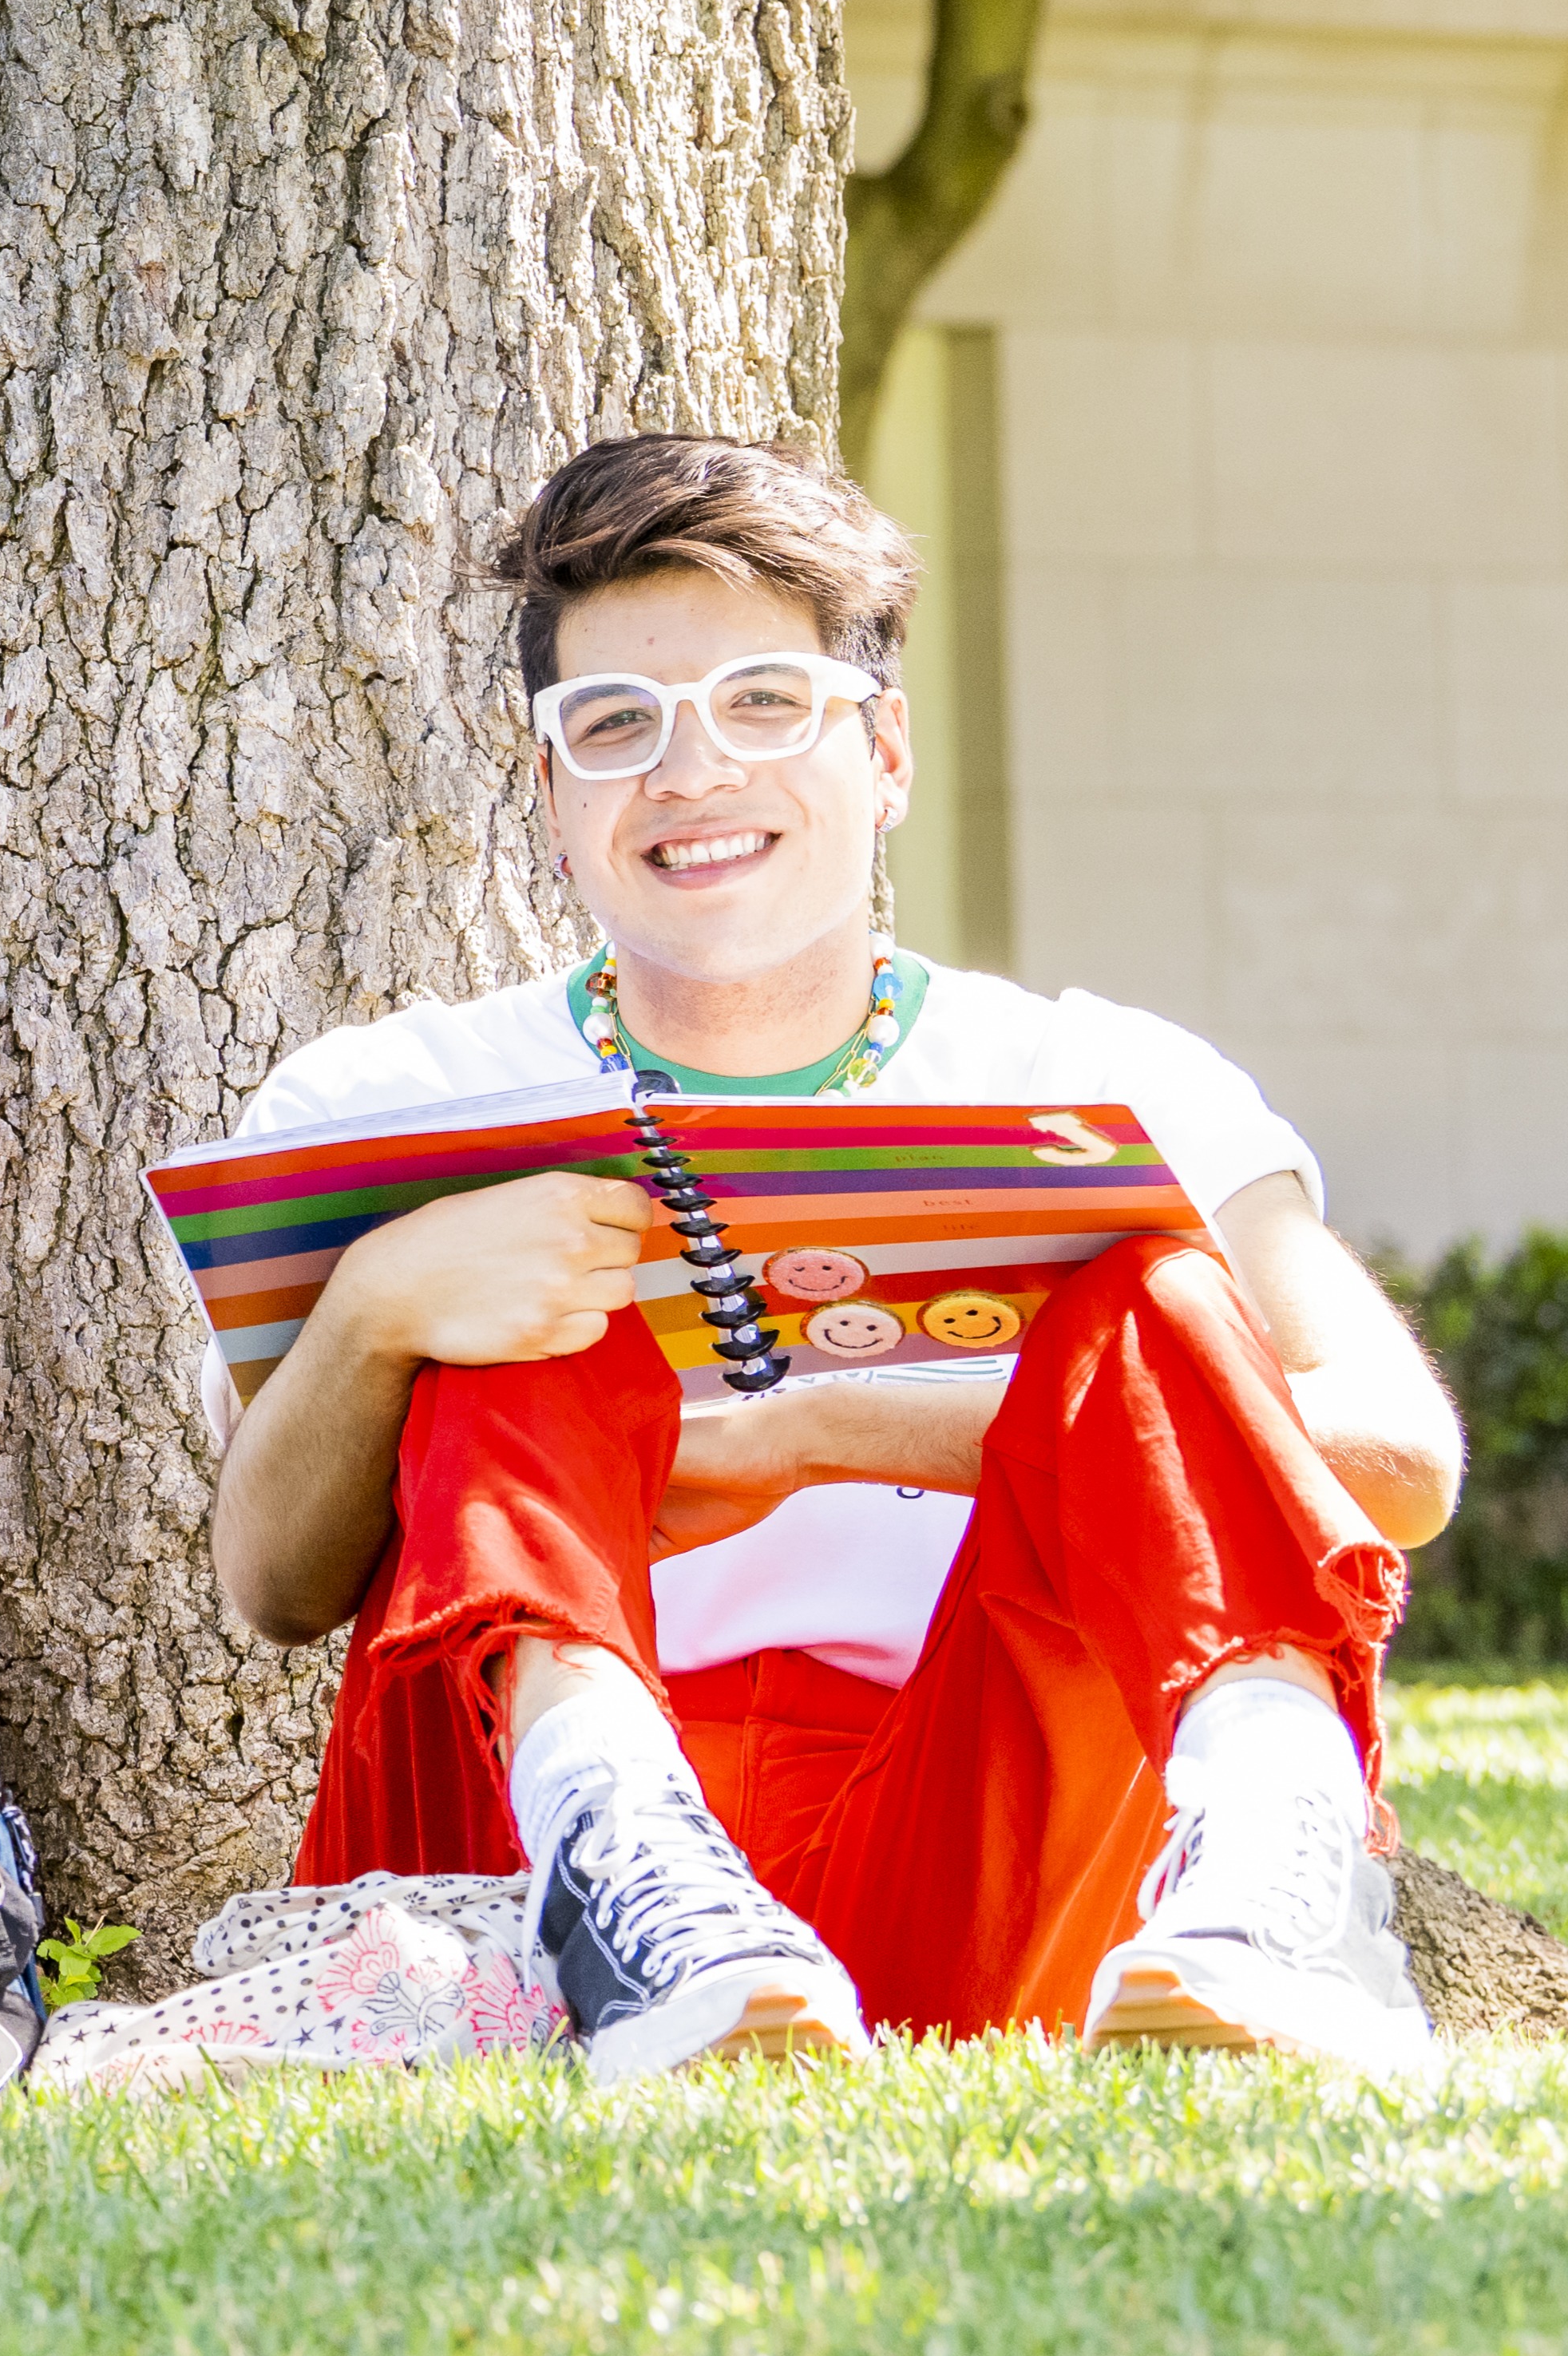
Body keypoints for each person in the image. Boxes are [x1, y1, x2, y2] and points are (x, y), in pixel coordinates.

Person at [207, 432, 1464, 2080]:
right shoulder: (383, 1101)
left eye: (763, 704)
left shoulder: (1111, 1081)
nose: (691, 772)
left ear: (883, 753)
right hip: (523, 1867)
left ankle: (1277, 1890)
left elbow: (1399, 1462)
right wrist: (377, 1308)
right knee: (524, 1289)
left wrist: (817, 1435)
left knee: (1150, 1291)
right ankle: (635, 1883)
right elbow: (272, 1586)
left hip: (983, 1815)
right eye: (616, 726)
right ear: (552, 792)